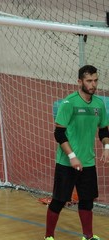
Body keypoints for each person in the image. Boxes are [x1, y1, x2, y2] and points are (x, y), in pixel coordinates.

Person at [44, 65, 109, 240]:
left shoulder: (99, 104)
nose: (93, 84)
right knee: (58, 201)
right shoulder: (69, 103)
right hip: (67, 163)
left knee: (87, 202)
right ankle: (49, 236)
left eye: (95, 80)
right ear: (80, 81)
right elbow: (59, 133)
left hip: (88, 162)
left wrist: (107, 147)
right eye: (89, 81)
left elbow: (104, 130)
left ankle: (87, 236)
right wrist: (72, 157)